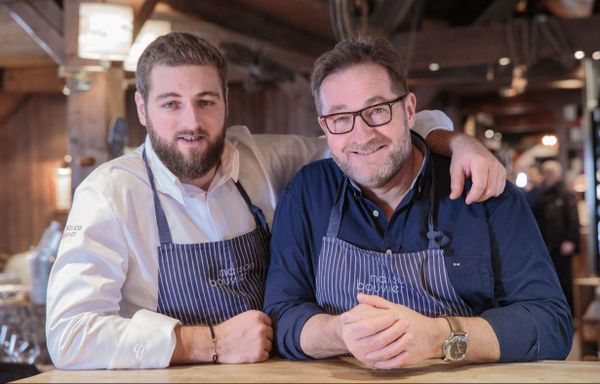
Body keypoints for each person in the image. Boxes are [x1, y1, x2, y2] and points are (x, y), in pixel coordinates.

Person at [46, 32, 506, 370]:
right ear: (142, 109)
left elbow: (362, 135)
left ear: (226, 103)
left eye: (206, 101)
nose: (192, 122)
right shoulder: (109, 193)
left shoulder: (260, 160)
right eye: (170, 104)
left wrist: (458, 142)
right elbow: (68, 336)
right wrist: (205, 343)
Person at [264, 34, 573, 368]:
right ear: (324, 126)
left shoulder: (485, 195)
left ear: (409, 110)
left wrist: (440, 337)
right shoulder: (308, 193)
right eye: (341, 118)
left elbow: (549, 323)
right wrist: (340, 333)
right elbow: (281, 313)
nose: (362, 135)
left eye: (378, 110)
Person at [530, 160, 580, 314]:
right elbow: (533, 212)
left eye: (551, 173)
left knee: (565, 282)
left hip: (561, 246)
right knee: (547, 282)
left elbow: (573, 219)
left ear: (557, 174)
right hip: (545, 246)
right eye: (546, 173)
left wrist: (570, 240)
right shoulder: (541, 193)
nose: (549, 176)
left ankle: (569, 315)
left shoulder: (565, 192)